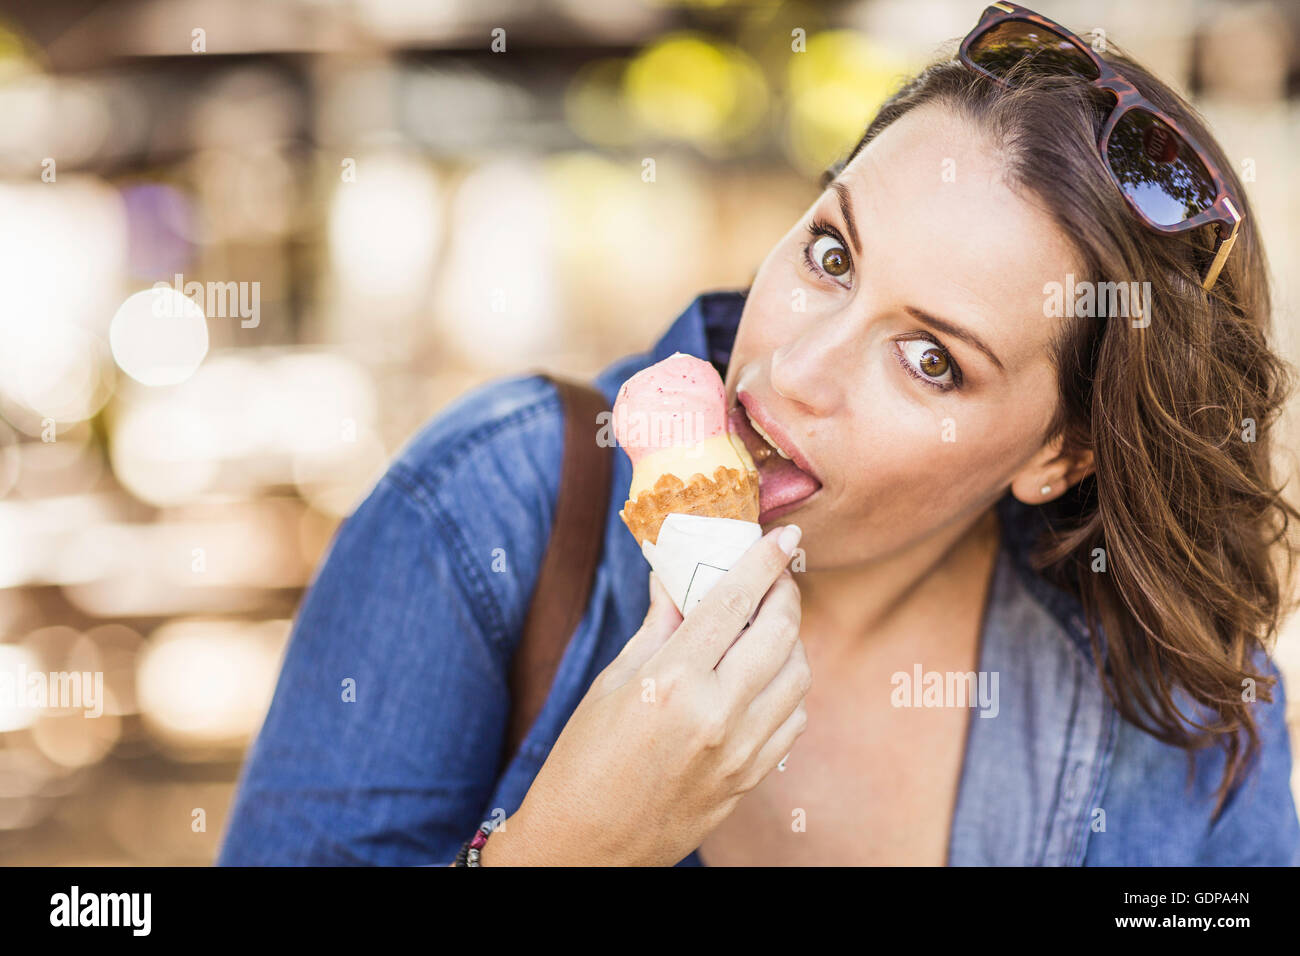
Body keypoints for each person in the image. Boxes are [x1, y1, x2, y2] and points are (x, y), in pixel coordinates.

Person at [217, 4, 1300, 865]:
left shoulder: (1184, 717)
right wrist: (568, 852)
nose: (794, 371)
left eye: (933, 359)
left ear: (1058, 454)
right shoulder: (481, 514)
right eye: (831, 255)